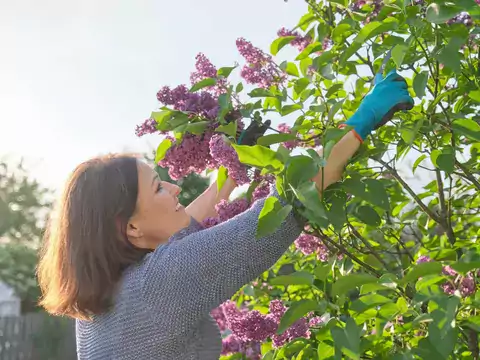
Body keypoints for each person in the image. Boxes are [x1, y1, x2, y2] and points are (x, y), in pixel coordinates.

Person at [37, 70, 413, 360]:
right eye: (158, 187)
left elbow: (187, 228)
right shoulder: (159, 285)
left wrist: (230, 171)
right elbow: (289, 202)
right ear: (131, 227)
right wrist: (364, 119)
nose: (174, 188)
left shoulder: (98, 302)